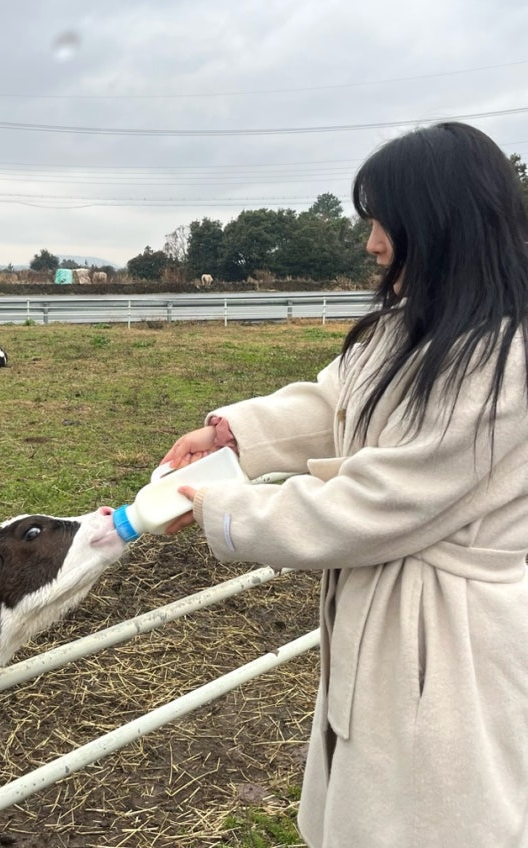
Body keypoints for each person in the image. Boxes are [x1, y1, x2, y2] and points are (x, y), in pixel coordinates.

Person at [160, 122, 528, 848]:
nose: (370, 243)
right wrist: (233, 433)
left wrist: (227, 508)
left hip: (446, 633)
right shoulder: (413, 324)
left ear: (440, 219)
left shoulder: (503, 356)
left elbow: (384, 499)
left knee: (438, 814)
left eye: (382, 220)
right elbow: (337, 402)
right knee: (381, 801)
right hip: (389, 615)